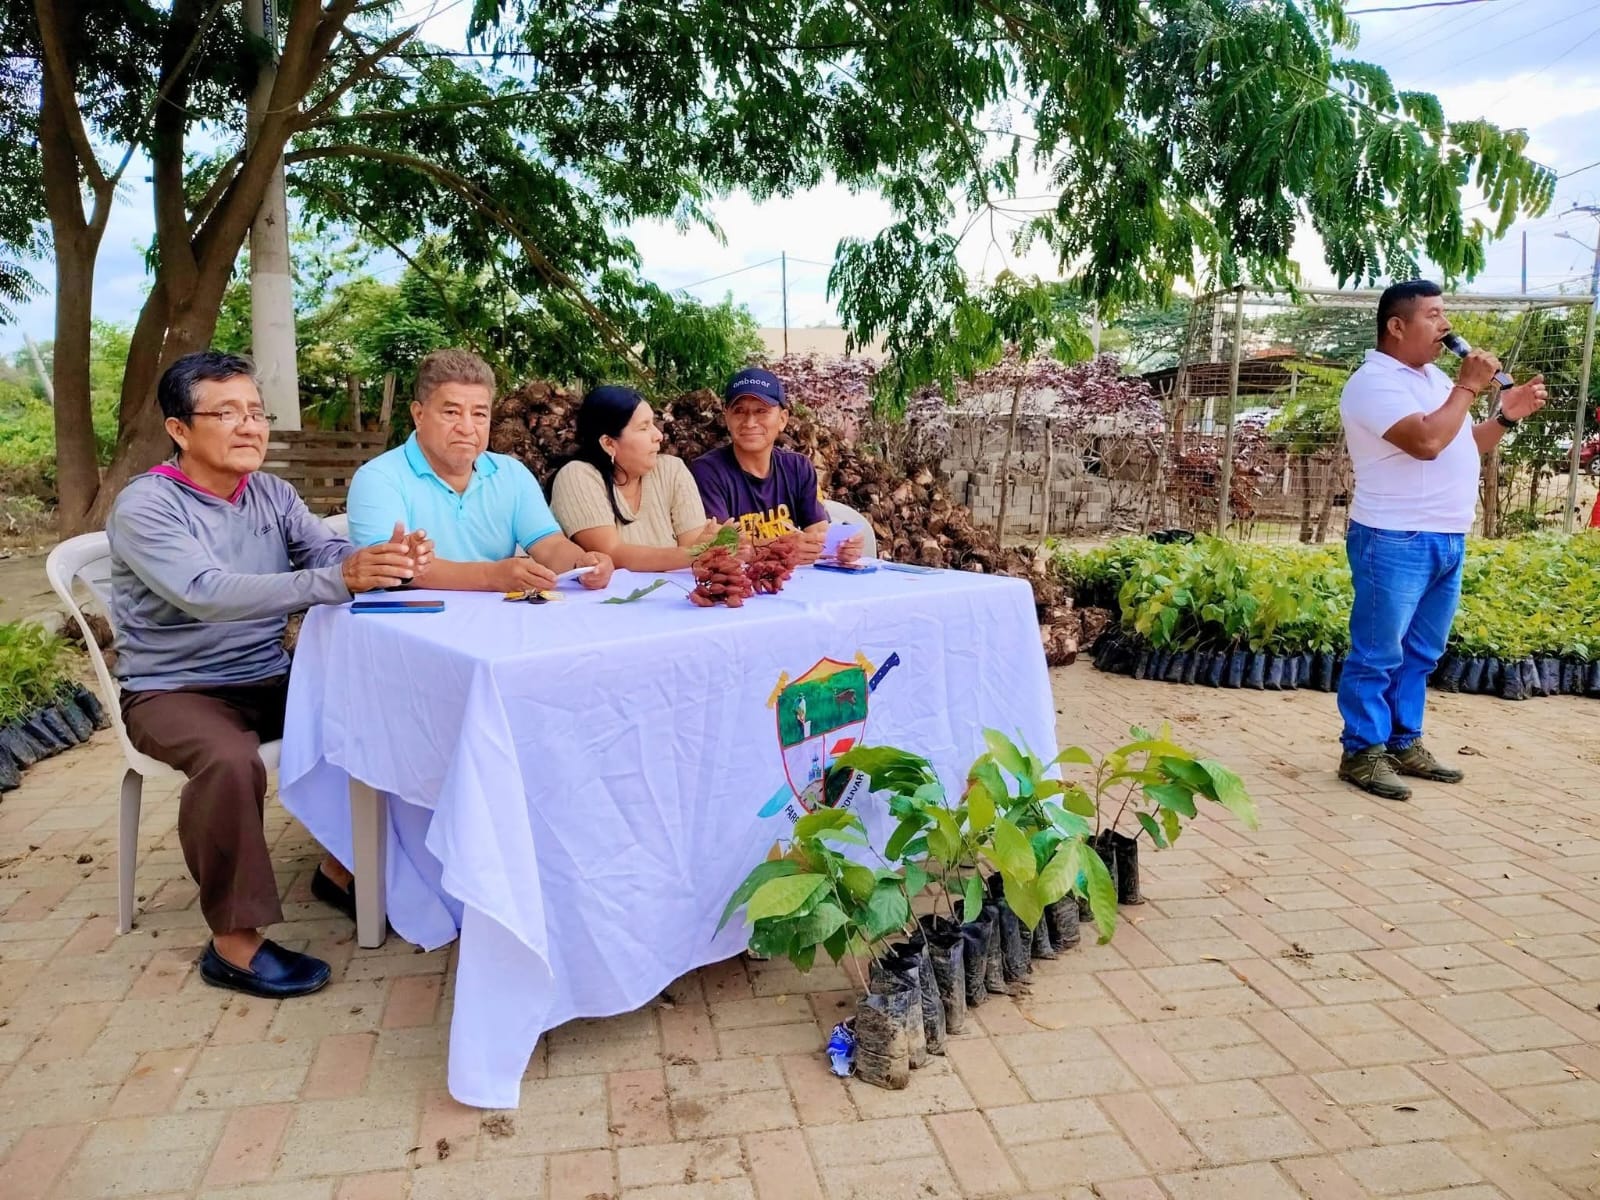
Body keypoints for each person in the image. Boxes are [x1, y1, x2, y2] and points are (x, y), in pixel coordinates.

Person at [107, 350, 431, 999]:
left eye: (256, 412)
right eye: (227, 413)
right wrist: (338, 579)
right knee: (228, 761)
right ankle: (234, 943)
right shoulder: (147, 506)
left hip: (268, 675)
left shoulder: (271, 494)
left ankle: (341, 868)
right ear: (179, 429)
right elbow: (205, 591)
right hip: (174, 690)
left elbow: (323, 550)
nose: (249, 426)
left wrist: (379, 559)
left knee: (386, 708)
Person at [1336, 280, 1547, 800]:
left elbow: (1463, 443)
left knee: (1421, 653)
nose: (1446, 325)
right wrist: (1469, 387)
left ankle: (1403, 741)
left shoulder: (1432, 379)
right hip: (1394, 537)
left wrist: (1506, 416)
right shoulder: (1372, 383)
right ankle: (1362, 751)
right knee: (1377, 653)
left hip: (1447, 537)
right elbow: (1427, 442)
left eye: (1444, 313)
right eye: (1433, 315)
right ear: (1396, 326)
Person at [346, 349, 614, 592]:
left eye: (479, 414)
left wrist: (583, 564)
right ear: (419, 415)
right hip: (409, 623)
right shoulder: (379, 479)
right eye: (451, 413)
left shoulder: (511, 474)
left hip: (501, 621)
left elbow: (550, 545)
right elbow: (388, 567)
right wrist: (490, 576)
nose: (466, 428)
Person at [689, 367, 863, 565]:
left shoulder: (798, 467)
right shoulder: (707, 472)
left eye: (761, 411)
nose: (750, 422)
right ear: (727, 418)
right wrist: (781, 547)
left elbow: (818, 533)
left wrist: (841, 547)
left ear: (782, 419)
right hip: (739, 580)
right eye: (739, 411)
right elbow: (719, 547)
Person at [549, 384, 721, 571]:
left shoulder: (672, 470)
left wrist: (721, 542)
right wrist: (696, 553)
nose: (659, 435)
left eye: (653, 424)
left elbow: (693, 546)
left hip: (672, 590)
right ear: (609, 443)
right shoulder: (577, 476)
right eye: (644, 428)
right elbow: (611, 553)